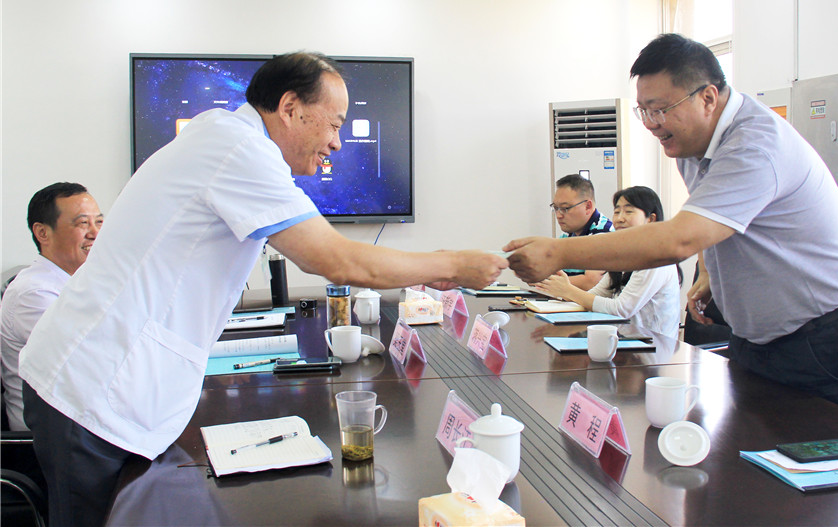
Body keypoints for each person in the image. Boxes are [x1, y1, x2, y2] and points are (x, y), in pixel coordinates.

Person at [19, 52, 508, 527]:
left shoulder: (228, 137)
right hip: (94, 392)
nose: (338, 143)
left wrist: (440, 266)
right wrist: (454, 264)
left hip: (113, 385)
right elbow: (334, 259)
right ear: (290, 107)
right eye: (334, 124)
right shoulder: (238, 150)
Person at [506, 33, 838, 413]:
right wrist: (710, 270)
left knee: (801, 444)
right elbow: (711, 217)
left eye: (659, 109)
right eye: (643, 111)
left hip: (821, 332)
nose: (651, 124)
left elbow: (678, 240)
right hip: (758, 335)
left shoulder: (754, 146)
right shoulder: (690, 142)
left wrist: (558, 252)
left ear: (708, 98)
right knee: (747, 442)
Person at [1, 182, 103, 431]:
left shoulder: (81, 282)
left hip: (80, 424)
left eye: (99, 222)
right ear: (43, 233)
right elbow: (89, 366)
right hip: (47, 439)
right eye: (83, 223)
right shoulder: (33, 293)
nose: (95, 233)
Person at [533, 186, 681, 339]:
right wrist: (559, 289)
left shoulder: (657, 259)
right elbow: (596, 295)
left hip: (654, 346)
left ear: (651, 219)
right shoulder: (625, 254)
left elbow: (621, 310)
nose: (619, 218)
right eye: (617, 212)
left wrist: (568, 290)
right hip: (623, 341)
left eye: (628, 211)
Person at [551, 174, 612, 289]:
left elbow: (591, 282)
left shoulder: (602, 233)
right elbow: (552, 270)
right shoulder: (569, 234)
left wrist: (543, 281)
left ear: (588, 206)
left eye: (565, 208)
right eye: (556, 208)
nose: (558, 215)